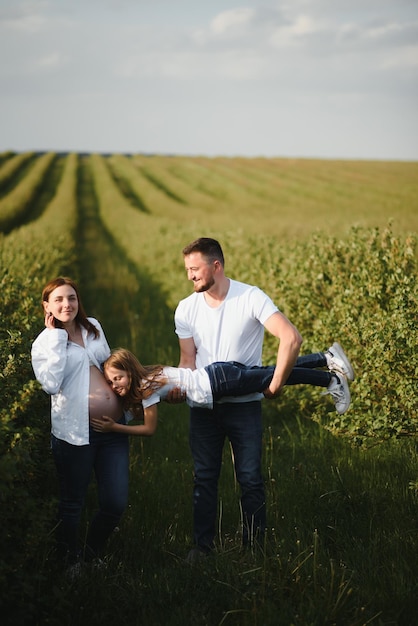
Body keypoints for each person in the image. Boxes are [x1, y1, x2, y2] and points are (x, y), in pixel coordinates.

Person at [168, 237, 354, 562]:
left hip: (244, 408)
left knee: (250, 479)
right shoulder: (186, 308)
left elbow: (290, 337)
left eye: (195, 269)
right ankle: (202, 548)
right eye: (187, 270)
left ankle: (254, 551)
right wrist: (178, 386)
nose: (190, 276)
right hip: (203, 409)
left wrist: (277, 383)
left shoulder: (250, 297)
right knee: (204, 478)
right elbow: (187, 360)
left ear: (216, 266)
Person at [31, 277, 130, 575]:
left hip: (112, 431)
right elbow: (50, 384)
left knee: (115, 502)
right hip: (75, 435)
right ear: (47, 306)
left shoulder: (94, 327)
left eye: (71, 298)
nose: (67, 304)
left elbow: (111, 367)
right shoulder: (43, 344)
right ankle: (69, 561)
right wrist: (58, 338)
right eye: (59, 299)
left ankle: (89, 555)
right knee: (72, 502)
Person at [90, 344, 352, 435]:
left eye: (117, 379)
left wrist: (114, 427)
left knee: (275, 376)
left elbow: (149, 429)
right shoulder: (149, 377)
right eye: (111, 383)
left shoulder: (146, 388)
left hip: (217, 383)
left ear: (130, 372)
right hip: (216, 375)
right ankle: (326, 357)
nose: (115, 386)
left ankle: (331, 380)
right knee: (271, 372)